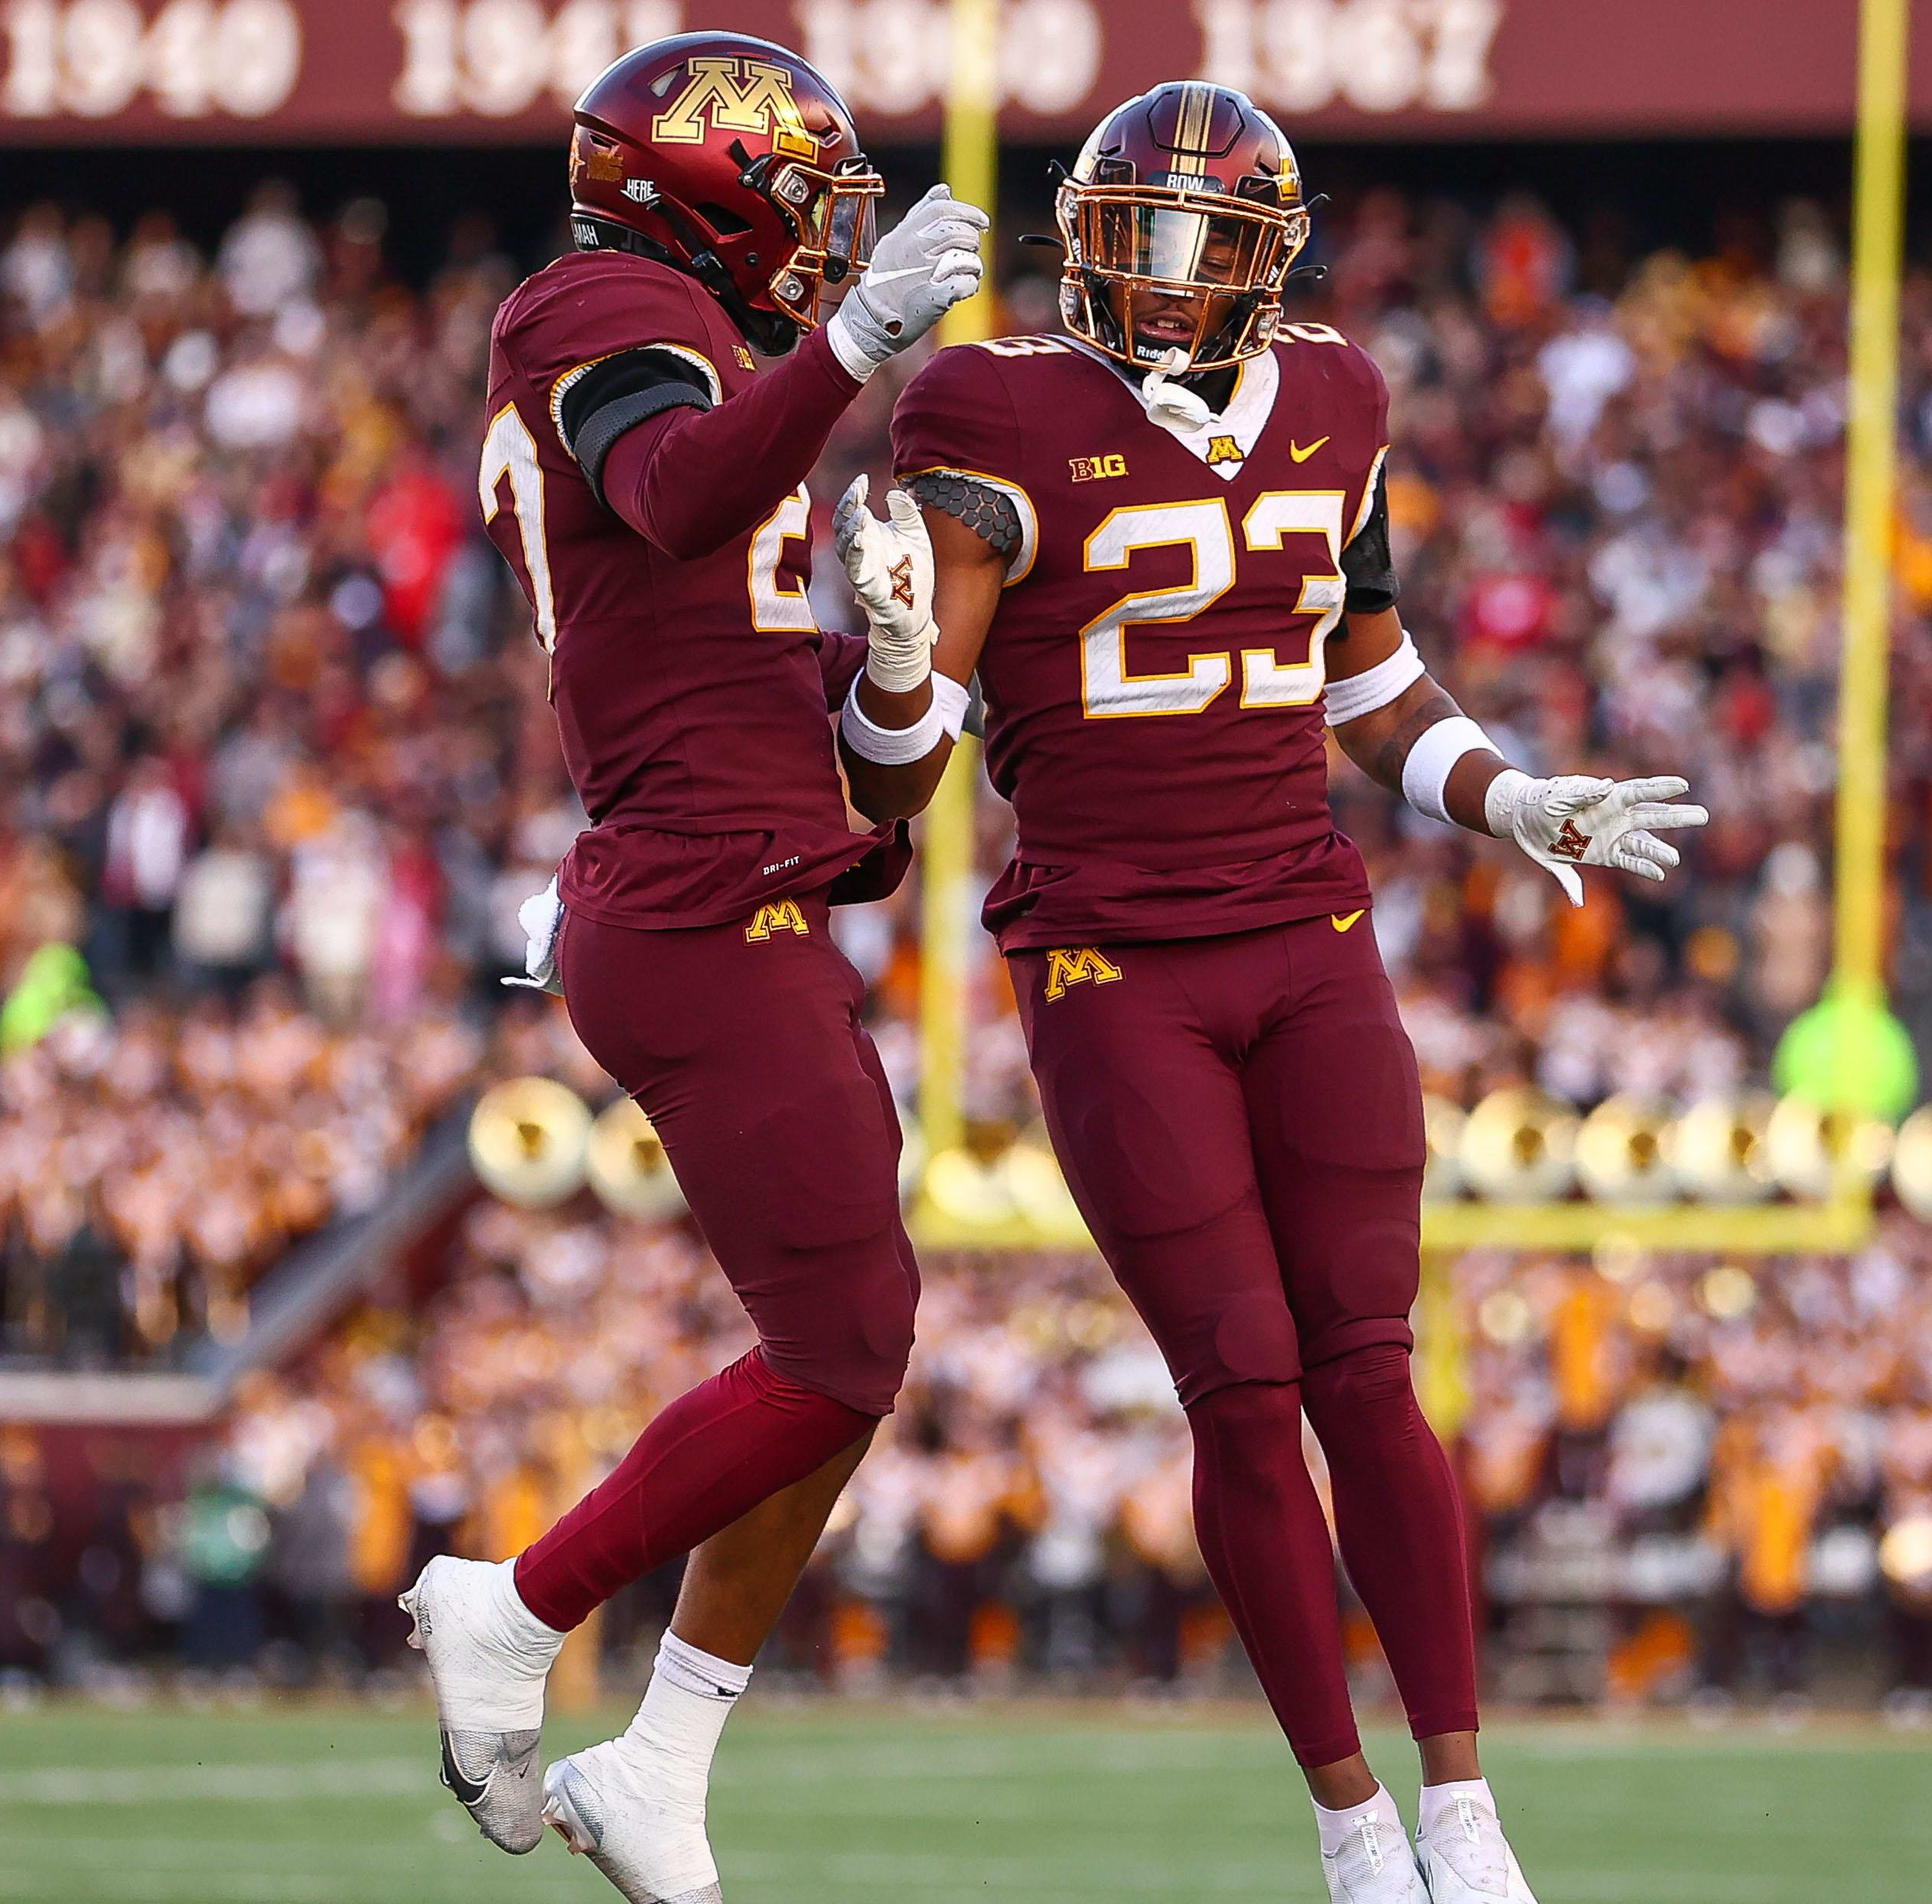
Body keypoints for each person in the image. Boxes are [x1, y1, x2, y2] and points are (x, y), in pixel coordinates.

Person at [846, 82, 1707, 1904]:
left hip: (1308, 938)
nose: (1157, 279)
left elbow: (1370, 680)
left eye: (1199, 243)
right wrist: (899, 672)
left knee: (1370, 1368)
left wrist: (1513, 791)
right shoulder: (989, 405)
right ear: (1081, 238)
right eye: (1129, 236)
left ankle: (1465, 1808)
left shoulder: (1337, 396)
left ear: (1266, 262)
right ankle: (1350, 1825)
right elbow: (902, 772)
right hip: (1110, 960)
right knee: (1240, 1386)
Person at [401, 31, 986, 1904]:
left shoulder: (723, 360)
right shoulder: (599, 302)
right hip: (683, 895)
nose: (830, 247)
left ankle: (663, 1758)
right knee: (844, 1348)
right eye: (807, 209)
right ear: (698, 189)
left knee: (846, 1350)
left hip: (756, 882)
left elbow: (873, 807)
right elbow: (667, 495)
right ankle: (519, 1607)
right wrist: (854, 350)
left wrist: (897, 669)